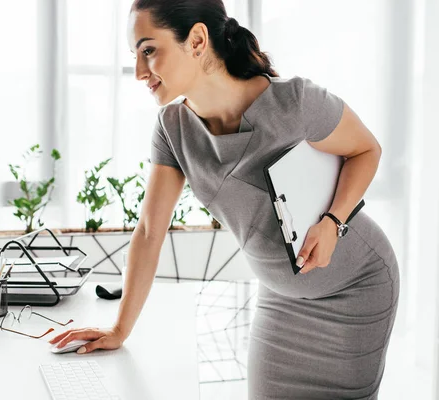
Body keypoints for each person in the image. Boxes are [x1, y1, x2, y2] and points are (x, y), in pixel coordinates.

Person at [49, 0, 400, 398]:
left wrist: (334, 222)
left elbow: (366, 149)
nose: (139, 72)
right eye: (135, 56)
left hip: (355, 287)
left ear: (197, 40)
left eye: (149, 50)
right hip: (282, 299)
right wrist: (119, 329)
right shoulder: (173, 128)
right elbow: (149, 231)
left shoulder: (295, 102)